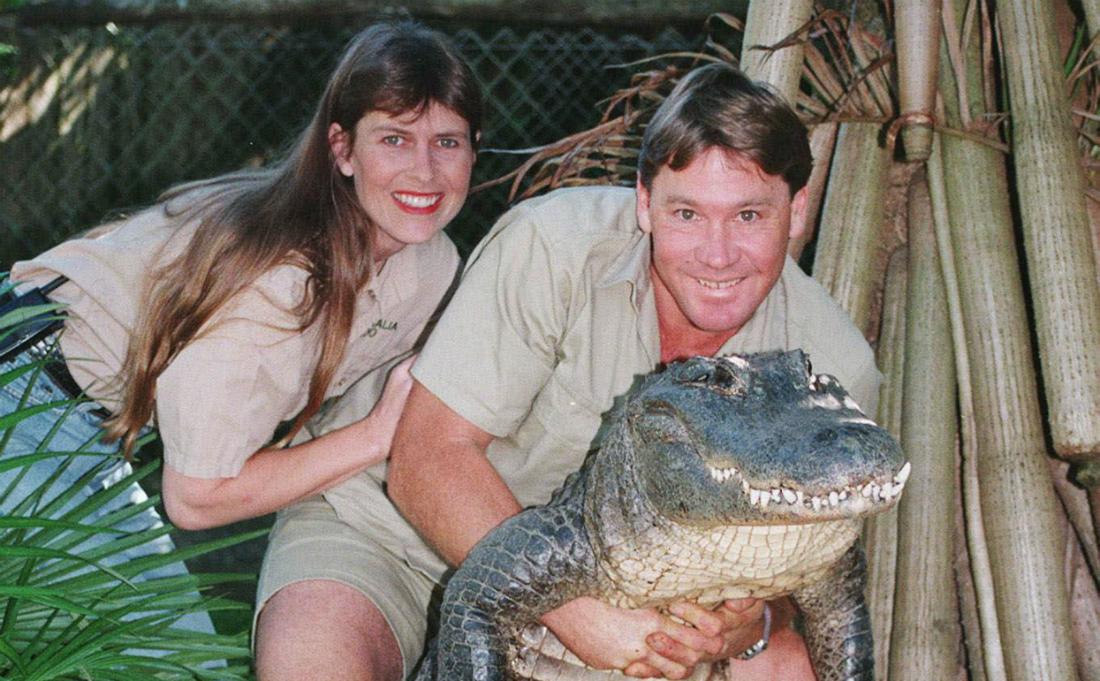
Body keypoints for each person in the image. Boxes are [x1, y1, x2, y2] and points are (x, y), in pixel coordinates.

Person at [260, 62, 882, 680]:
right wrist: (572, 612)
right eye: (687, 214)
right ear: (644, 203)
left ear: (797, 211)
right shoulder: (553, 248)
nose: (716, 255)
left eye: (748, 216)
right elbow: (427, 459)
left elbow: (802, 557)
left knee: (783, 667)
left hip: (620, 587)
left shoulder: (830, 367)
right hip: (391, 539)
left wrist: (752, 624)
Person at [2, 18, 479, 649]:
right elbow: (197, 498)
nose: (424, 171)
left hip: (77, 418)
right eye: (394, 139)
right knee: (163, 657)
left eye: (447, 142)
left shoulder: (429, 262)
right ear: (342, 149)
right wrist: (374, 435)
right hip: (23, 394)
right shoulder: (280, 279)